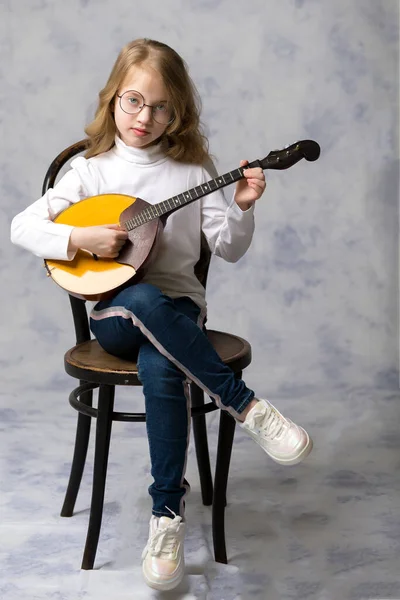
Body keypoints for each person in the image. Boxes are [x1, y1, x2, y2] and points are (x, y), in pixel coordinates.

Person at [10, 38, 313, 591]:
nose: (143, 117)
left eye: (159, 106)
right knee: (144, 302)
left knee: (162, 362)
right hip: (113, 317)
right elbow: (21, 227)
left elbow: (228, 248)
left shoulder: (193, 169)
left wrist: (241, 208)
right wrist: (79, 235)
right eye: (132, 101)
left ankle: (166, 517)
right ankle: (246, 405)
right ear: (112, 99)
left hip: (180, 319)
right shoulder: (88, 171)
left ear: (178, 111)